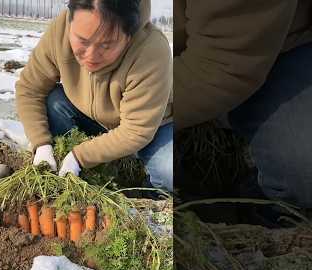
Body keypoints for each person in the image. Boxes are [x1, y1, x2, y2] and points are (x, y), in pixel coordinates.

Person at [16, 0, 173, 191]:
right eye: (82, 41)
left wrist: (80, 156)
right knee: (54, 102)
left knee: (169, 173)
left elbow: (136, 130)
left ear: (128, 37)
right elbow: (30, 88)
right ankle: (70, 165)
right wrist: (41, 144)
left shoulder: (151, 49)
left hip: (152, 127)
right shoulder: (60, 29)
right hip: (91, 117)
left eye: (106, 46)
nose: (90, 55)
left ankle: (141, 191)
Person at [174, 0, 312, 211]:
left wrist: (125, 112)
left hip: (277, 43)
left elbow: (217, 66)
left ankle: (265, 214)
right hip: (152, 39)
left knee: (303, 166)